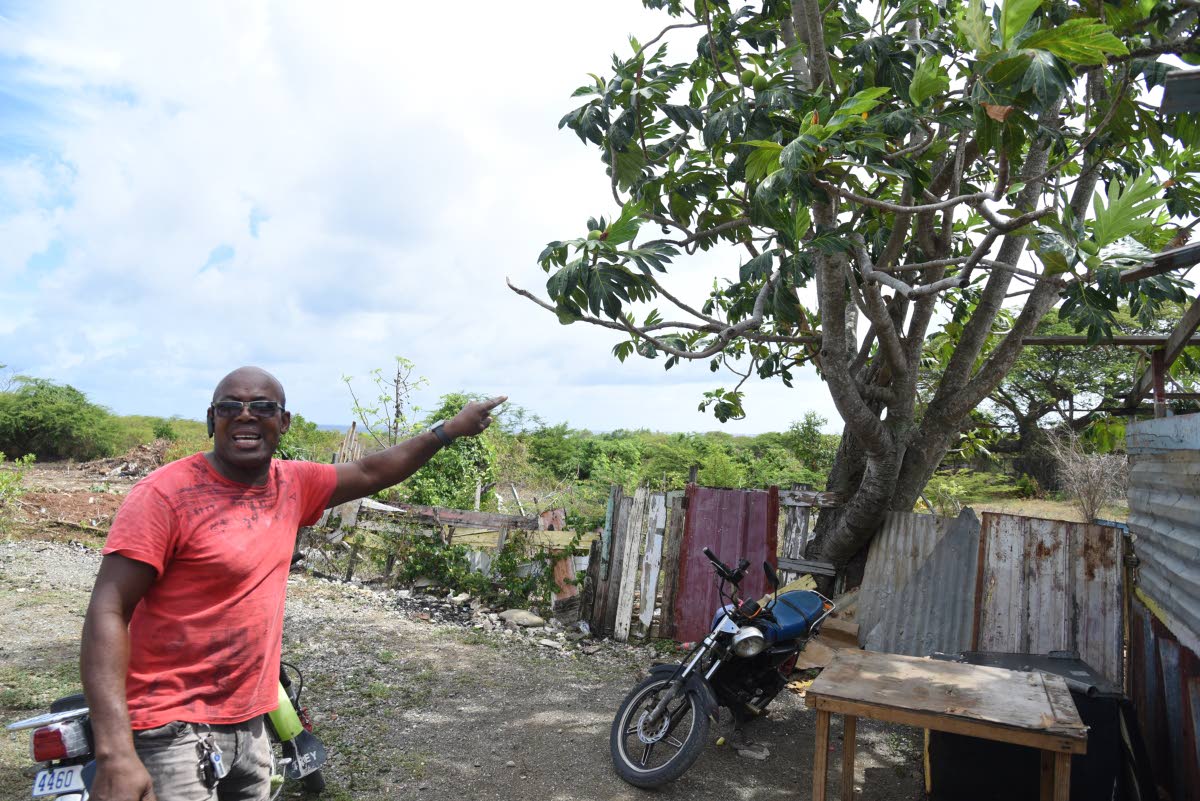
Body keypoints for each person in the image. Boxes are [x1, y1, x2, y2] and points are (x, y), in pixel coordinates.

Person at [80, 366, 504, 801]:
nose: (246, 415)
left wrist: (447, 431)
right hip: (170, 729)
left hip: (251, 722)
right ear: (212, 420)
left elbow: (374, 470)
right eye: (230, 407)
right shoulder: (164, 495)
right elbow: (108, 610)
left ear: (283, 422)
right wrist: (114, 752)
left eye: (262, 406)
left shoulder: (293, 484)